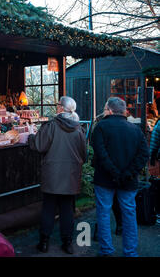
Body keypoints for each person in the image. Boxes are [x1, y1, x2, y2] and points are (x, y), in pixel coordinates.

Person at [91, 97, 149, 257]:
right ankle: (130, 252)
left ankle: (106, 251)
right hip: (128, 181)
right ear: (122, 111)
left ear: (109, 110)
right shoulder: (135, 129)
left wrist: (115, 173)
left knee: (103, 214)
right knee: (129, 214)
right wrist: (127, 173)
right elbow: (144, 154)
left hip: (104, 179)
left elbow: (101, 154)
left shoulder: (100, 127)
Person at [28, 96, 86, 255]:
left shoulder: (51, 126)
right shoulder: (78, 128)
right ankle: (67, 243)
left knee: (48, 208)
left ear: (61, 108)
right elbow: (84, 154)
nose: (56, 107)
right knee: (67, 210)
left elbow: (39, 146)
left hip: (52, 176)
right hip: (71, 176)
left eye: (57, 105)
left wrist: (31, 136)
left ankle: (44, 242)